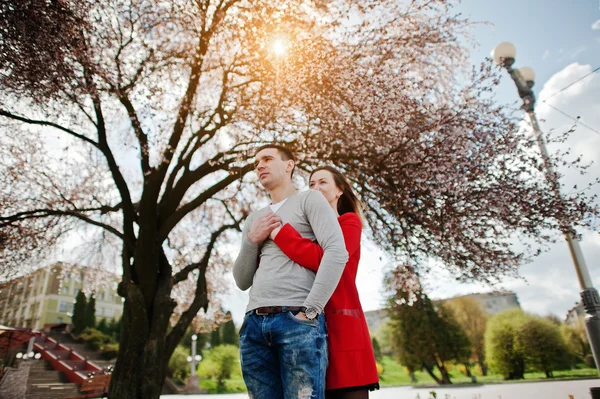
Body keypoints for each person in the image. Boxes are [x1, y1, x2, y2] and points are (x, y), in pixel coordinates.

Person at [233, 145, 349, 399]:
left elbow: (337, 252)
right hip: (254, 325)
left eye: (267, 159)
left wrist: (310, 311)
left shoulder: (310, 199)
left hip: (296, 322)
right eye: (256, 163)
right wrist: (252, 240)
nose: (259, 165)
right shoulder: (254, 219)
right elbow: (242, 280)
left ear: (289, 165)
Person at [270, 166, 380, 399]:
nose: (315, 188)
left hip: (341, 323)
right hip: (307, 325)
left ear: (339, 190)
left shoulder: (349, 222)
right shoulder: (307, 232)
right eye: (311, 184)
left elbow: (324, 258)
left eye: (323, 183)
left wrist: (280, 235)